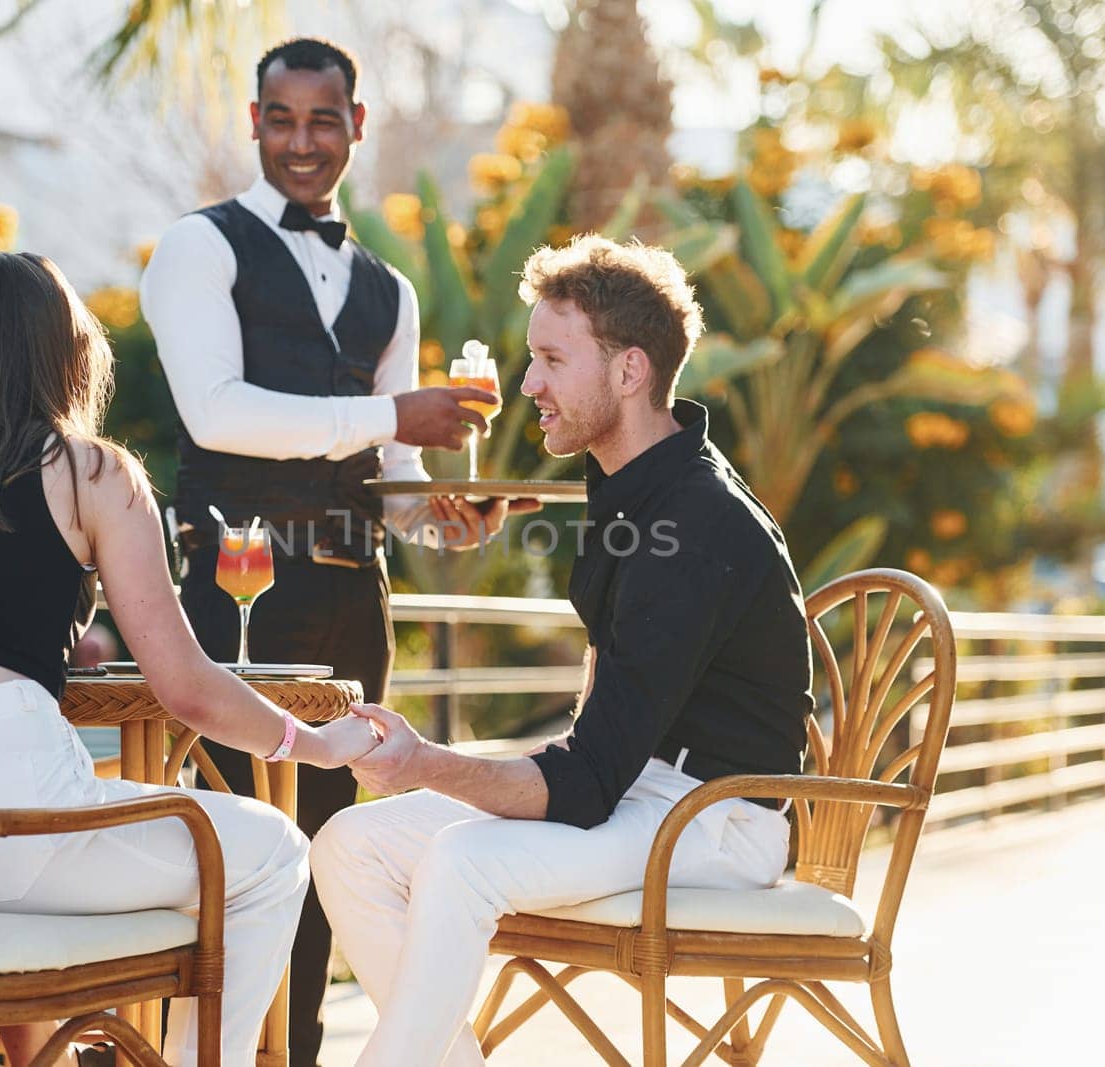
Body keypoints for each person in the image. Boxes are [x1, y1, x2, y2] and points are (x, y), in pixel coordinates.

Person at [0, 252, 383, 1067]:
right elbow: (188, 688)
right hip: (6, 829)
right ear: (68, 355)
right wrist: (315, 744)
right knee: (274, 853)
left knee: (76, 881)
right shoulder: (91, 469)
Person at [310, 235, 816, 1067]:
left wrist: (425, 762)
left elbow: (583, 784)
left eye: (551, 359)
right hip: (643, 789)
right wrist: (498, 494)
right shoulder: (635, 478)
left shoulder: (694, 527)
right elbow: (602, 762)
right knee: (349, 846)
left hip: (715, 816)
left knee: (463, 861)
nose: (527, 384)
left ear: (630, 371)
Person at [139, 36, 525, 1064]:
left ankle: (295, 1052)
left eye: (323, 119)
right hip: (234, 593)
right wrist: (395, 407)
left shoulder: (388, 290)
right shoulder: (198, 245)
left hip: (356, 601)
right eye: (281, 118)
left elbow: (385, 468)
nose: (302, 140)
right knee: (225, 838)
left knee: (324, 847)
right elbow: (216, 415)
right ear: (255, 122)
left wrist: (440, 516)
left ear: (357, 127)